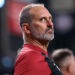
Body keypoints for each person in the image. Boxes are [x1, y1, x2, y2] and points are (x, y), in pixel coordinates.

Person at [14, 3, 62, 75]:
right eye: (42, 19)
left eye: (50, 19)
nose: (50, 24)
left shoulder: (35, 56)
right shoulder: (33, 58)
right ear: (27, 28)